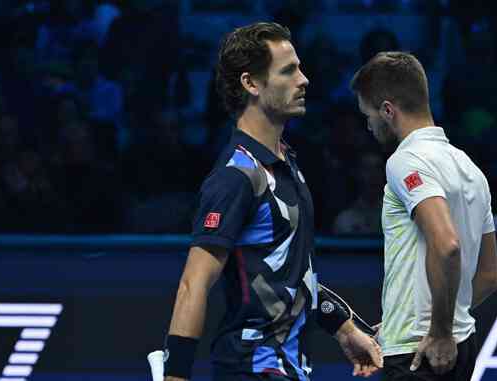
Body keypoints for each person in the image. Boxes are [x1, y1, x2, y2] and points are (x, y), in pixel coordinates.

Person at [163, 22, 382, 381]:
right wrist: (175, 376)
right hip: (251, 368)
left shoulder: (287, 165)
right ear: (251, 84)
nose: (304, 79)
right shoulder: (236, 176)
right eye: (288, 70)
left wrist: (345, 329)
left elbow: (291, 275)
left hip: (288, 369)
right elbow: (193, 283)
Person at [350, 52, 497, 380]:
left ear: (388, 110)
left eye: (369, 115)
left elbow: (446, 244)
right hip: (462, 345)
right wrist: (413, 318)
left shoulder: (406, 161)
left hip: (418, 352)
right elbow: (489, 277)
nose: (368, 125)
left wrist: (439, 331)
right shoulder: (468, 167)